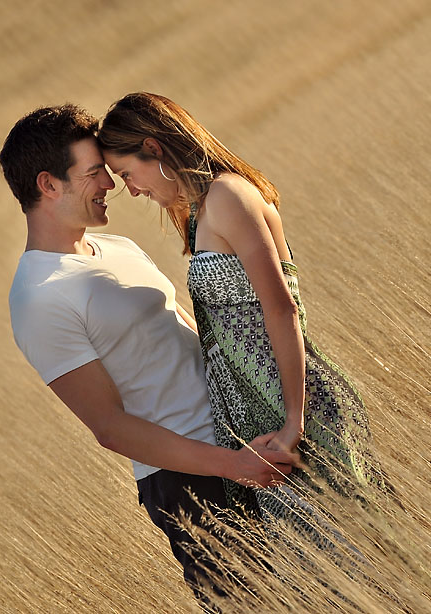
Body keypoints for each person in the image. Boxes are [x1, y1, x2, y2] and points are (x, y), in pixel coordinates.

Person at [0, 104, 303, 607]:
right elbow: (109, 427)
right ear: (48, 185)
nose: (111, 185)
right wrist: (230, 466)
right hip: (190, 483)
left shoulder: (116, 247)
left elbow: (192, 333)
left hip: (250, 440)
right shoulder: (39, 297)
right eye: (95, 173)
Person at [97, 92, 387, 528]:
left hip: (290, 408)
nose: (132, 189)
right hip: (259, 415)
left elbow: (282, 309)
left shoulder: (228, 195)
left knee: (366, 546)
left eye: (127, 173)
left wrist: (293, 420)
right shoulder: (199, 213)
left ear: (153, 147)